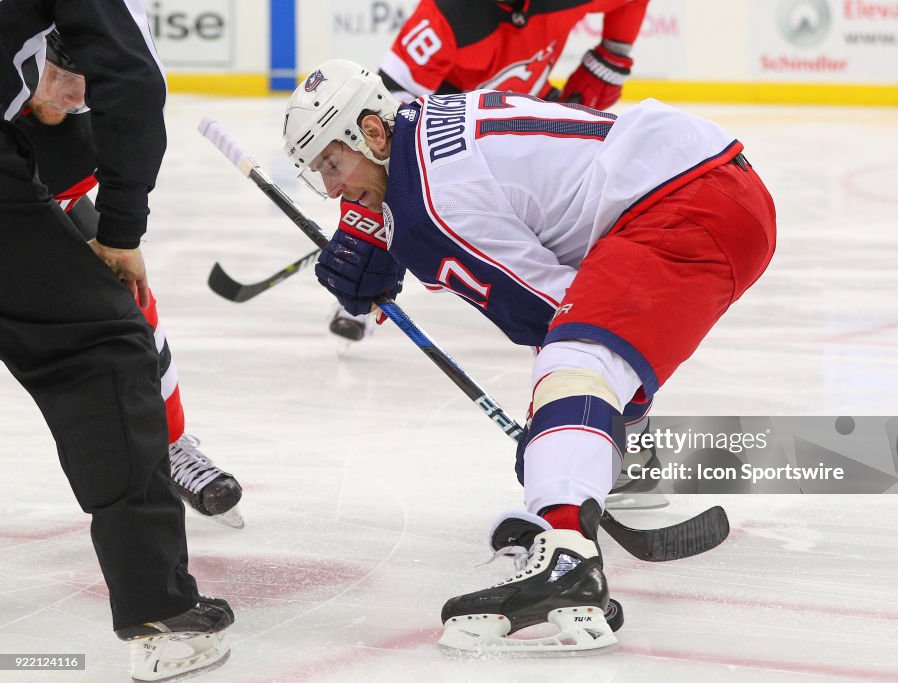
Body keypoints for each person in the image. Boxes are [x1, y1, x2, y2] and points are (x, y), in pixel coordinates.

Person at [288, 60, 776, 652]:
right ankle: (612, 472)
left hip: (688, 205)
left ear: (370, 131)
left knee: (579, 359)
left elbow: (549, 311)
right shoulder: (420, 127)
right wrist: (380, 232)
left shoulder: (432, 204)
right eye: (321, 174)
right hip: (702, 184)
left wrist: (558, 436)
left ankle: (568, 552)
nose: (333, 187)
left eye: (333, 165)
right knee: (586, 355)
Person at [1, 4, 232, 680]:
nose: (75, 98)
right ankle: (159, 610)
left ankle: (175, 440)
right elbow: (132, 77)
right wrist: (124, 230)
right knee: (99, 347)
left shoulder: (66, 132)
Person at [15, 30, 245, 529]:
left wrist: (121, 242)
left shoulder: (93, 120)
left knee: (130, 296)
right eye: (60, 78)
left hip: (51, 207)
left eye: (85, 83)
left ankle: (171, 442)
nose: (75, 98)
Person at [327, 0, 650, 345]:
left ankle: (566, 329)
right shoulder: (444, 15)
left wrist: (613, 53)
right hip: (444, 138)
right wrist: (366, 225)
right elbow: (382, 120)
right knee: (412, 202)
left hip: (520, 127)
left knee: (550, 226)